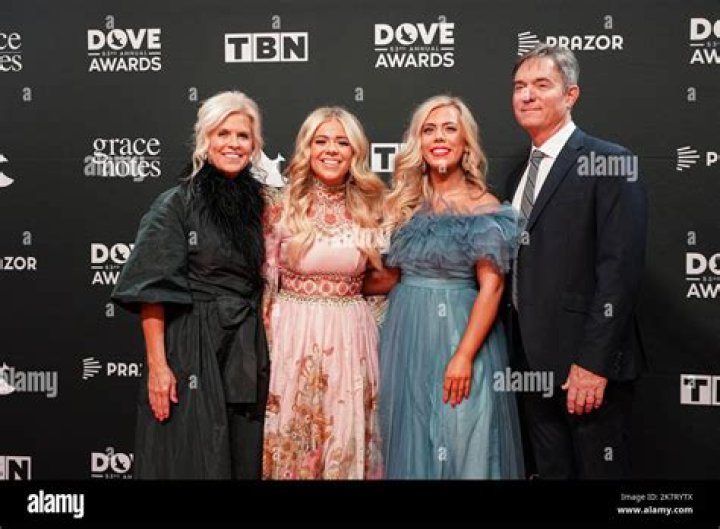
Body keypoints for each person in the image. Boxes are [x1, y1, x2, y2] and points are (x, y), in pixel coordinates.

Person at [111, 90, 270, 479]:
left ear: (254, 145)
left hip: (246, 347)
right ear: (205, 139)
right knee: (192, 458)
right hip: (191, 344)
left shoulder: (262, 207)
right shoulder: (176, 203)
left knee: (242, 457)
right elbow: (151, 291)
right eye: (222, 133)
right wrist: (158, 367)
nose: (233, 143)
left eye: (243, 136)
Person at [506, 44, 647, 479]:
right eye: (519, 86)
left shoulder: (610, 162)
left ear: (570, 95)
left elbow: (619, 271)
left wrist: (592, 363)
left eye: (541, 85)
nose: (527, 95)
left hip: (583, 366)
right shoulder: (517, 175)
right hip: (529, 363)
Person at [365, 95, 525, 479]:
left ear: (465, 142)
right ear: (418, 142)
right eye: (429, 130)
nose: (439, 137)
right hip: (406, 338)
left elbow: (493, 288)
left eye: (450, 129)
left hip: (461, 334)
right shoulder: (403, 204)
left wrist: (463, 356)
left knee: (465, 440)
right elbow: (391, 276)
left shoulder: (482, 205)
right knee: (413, 440)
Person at [262, 107, 385, 479]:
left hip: (352, 336)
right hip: (291, 336)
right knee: (294, 437)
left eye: (342, 142)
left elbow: (384, 281)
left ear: (355, 152)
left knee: (346, 437)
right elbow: (265, 283)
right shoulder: (279, 205)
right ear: (308, 148)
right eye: (321, 141)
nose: (331, 150)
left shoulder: (373, 206)